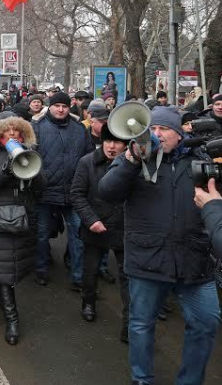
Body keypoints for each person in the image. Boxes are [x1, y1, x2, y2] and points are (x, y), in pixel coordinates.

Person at [99, 106, 221, 385]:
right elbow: (107, 192)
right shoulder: (132, 160)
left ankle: (190, 380)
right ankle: (141, 378)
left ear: (179, 134)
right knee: (141, 325)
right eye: (151, 129)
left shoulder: (200, 160)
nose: (155, 134)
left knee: (206, 323)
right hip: (147, 259)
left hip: (194, 257)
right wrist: (130, 159)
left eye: (163, 129)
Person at [0, 116, 44, 345]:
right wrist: (6, 168)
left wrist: (32, 168)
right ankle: (12, 320)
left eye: (18, 131)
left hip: (22, 218)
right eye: (8, 131)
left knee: (13, 266)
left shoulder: (31, 154)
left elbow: (41, 190)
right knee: (4, 269)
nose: (13, 134)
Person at [69, 124, 130, 342]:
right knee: (91, 270)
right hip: (96, 225)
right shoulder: (87, 162)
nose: (112, 147)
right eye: (108, 142)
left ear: (126, 145)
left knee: (128, 277)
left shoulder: (132, 164)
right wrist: (91, 219)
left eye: (118, 142)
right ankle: (88, 302)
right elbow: (76, 194)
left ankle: (129, 322)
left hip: (124, 227)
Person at [32, 91, 94, 288]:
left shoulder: (79, 129)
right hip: (45, 191)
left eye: (64, 106)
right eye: (57, 105)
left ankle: (77, 276)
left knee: (78, 234)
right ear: (49, 106)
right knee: (41, 234)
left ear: (70, 107)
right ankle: (41, 269)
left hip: (73, 192)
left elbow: (88, 157)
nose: (60, 109)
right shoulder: (37, 128)